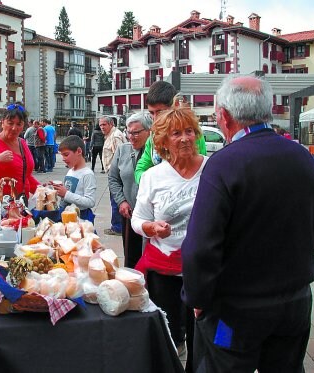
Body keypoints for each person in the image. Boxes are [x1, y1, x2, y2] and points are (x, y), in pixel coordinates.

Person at [181, 75, 314, 372]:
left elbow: (200, 247)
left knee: (222, 364)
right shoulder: (302, 157)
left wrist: (198, 298)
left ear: (225, 117)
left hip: (234, 311)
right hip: (293, 304)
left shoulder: (224, 163)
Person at [131, 107, 207, 368]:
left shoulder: (212, 169)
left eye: (189, 132)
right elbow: (137, 220)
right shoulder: (153, 176)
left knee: (202, 339)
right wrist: (151, 228)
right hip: (165, 270)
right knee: (169, 335)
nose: (186, 138)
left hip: (204, 270)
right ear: (163, 141)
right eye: (177, 133)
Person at [134, 81, 207, 184]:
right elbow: (140, 170)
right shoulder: (153, 137)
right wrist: (152, 184)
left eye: (160, 112)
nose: (155, 118)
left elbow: (198, 171)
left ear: (176, 105)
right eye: (151, 113)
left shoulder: (191, 134)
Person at [108, 113, 152, 268]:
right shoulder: (123, 150)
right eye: (129, 132)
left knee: (151, 259)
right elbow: (113, 179)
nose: (131, 136)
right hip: (130, 215)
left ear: (149, 131)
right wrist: (121, 201)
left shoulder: (157, 153)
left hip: (152, 218)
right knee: (131, 259)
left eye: (136, 132)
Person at [51, 135, 96, 222]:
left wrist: (66, 194)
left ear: (79, 151)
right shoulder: (71, 170)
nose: (63, 159)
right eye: (62, 155)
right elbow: (69, 190)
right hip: (66, 214)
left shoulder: (87, 174)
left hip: (80, 218)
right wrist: (56, 189)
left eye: (66, 155)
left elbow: (90, 201)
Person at [100, 116, 126, 236]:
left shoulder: (115, 136)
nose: (102, 127)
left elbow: (120, 156)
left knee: (116, 200)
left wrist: (117, 176)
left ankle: (118, 227)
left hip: (117, 174)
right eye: (100, 125)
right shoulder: (111, 135)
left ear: (111, 124)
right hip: (114, 173)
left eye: (104, 124)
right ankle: (117, 225)